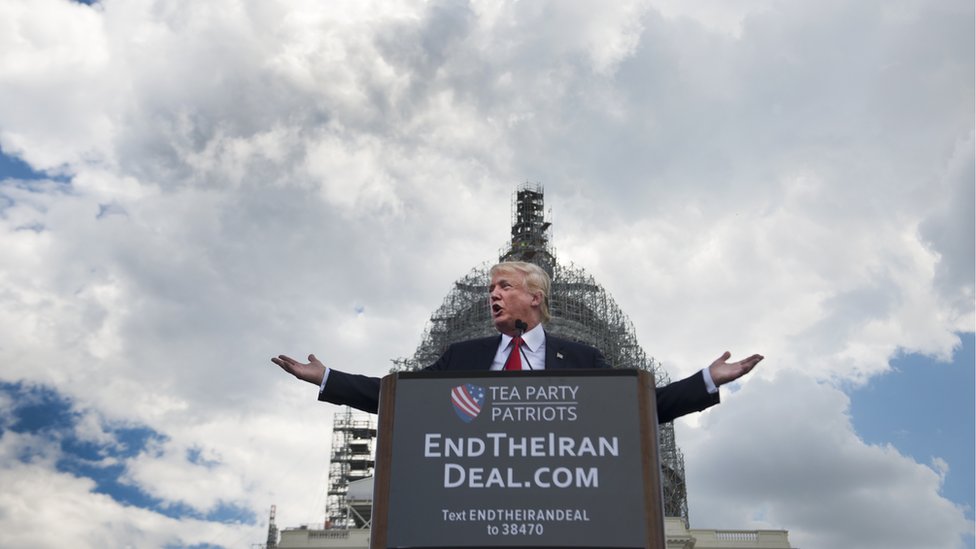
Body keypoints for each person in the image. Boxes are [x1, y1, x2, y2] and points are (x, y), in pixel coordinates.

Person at [272, 261, 763, 423]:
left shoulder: (583, 358)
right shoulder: (462, 357)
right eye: (489, 289)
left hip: (560, 503)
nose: (493, 295)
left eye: (503, 287)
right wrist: (328, 378)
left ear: (535, 296)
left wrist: (706, 381)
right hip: (477, 501)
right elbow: (403, 400)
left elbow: (634, 410)